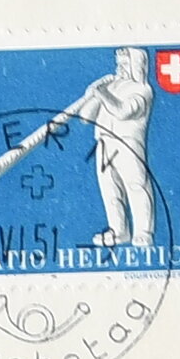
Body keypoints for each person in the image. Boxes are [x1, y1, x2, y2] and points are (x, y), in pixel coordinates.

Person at [66, 47, 161, 251]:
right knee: (110, 189)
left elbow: (123, 111)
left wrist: (103, 94)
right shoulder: (112, 87)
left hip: (127, 144)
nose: (120, 68)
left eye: (125, 64)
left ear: (137, 65)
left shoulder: (142, 90)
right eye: (118, 63)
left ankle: (144, 232)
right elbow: (85, 117)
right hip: (103, 143)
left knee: (136, 185)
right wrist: (92, 93)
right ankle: (118, 231)